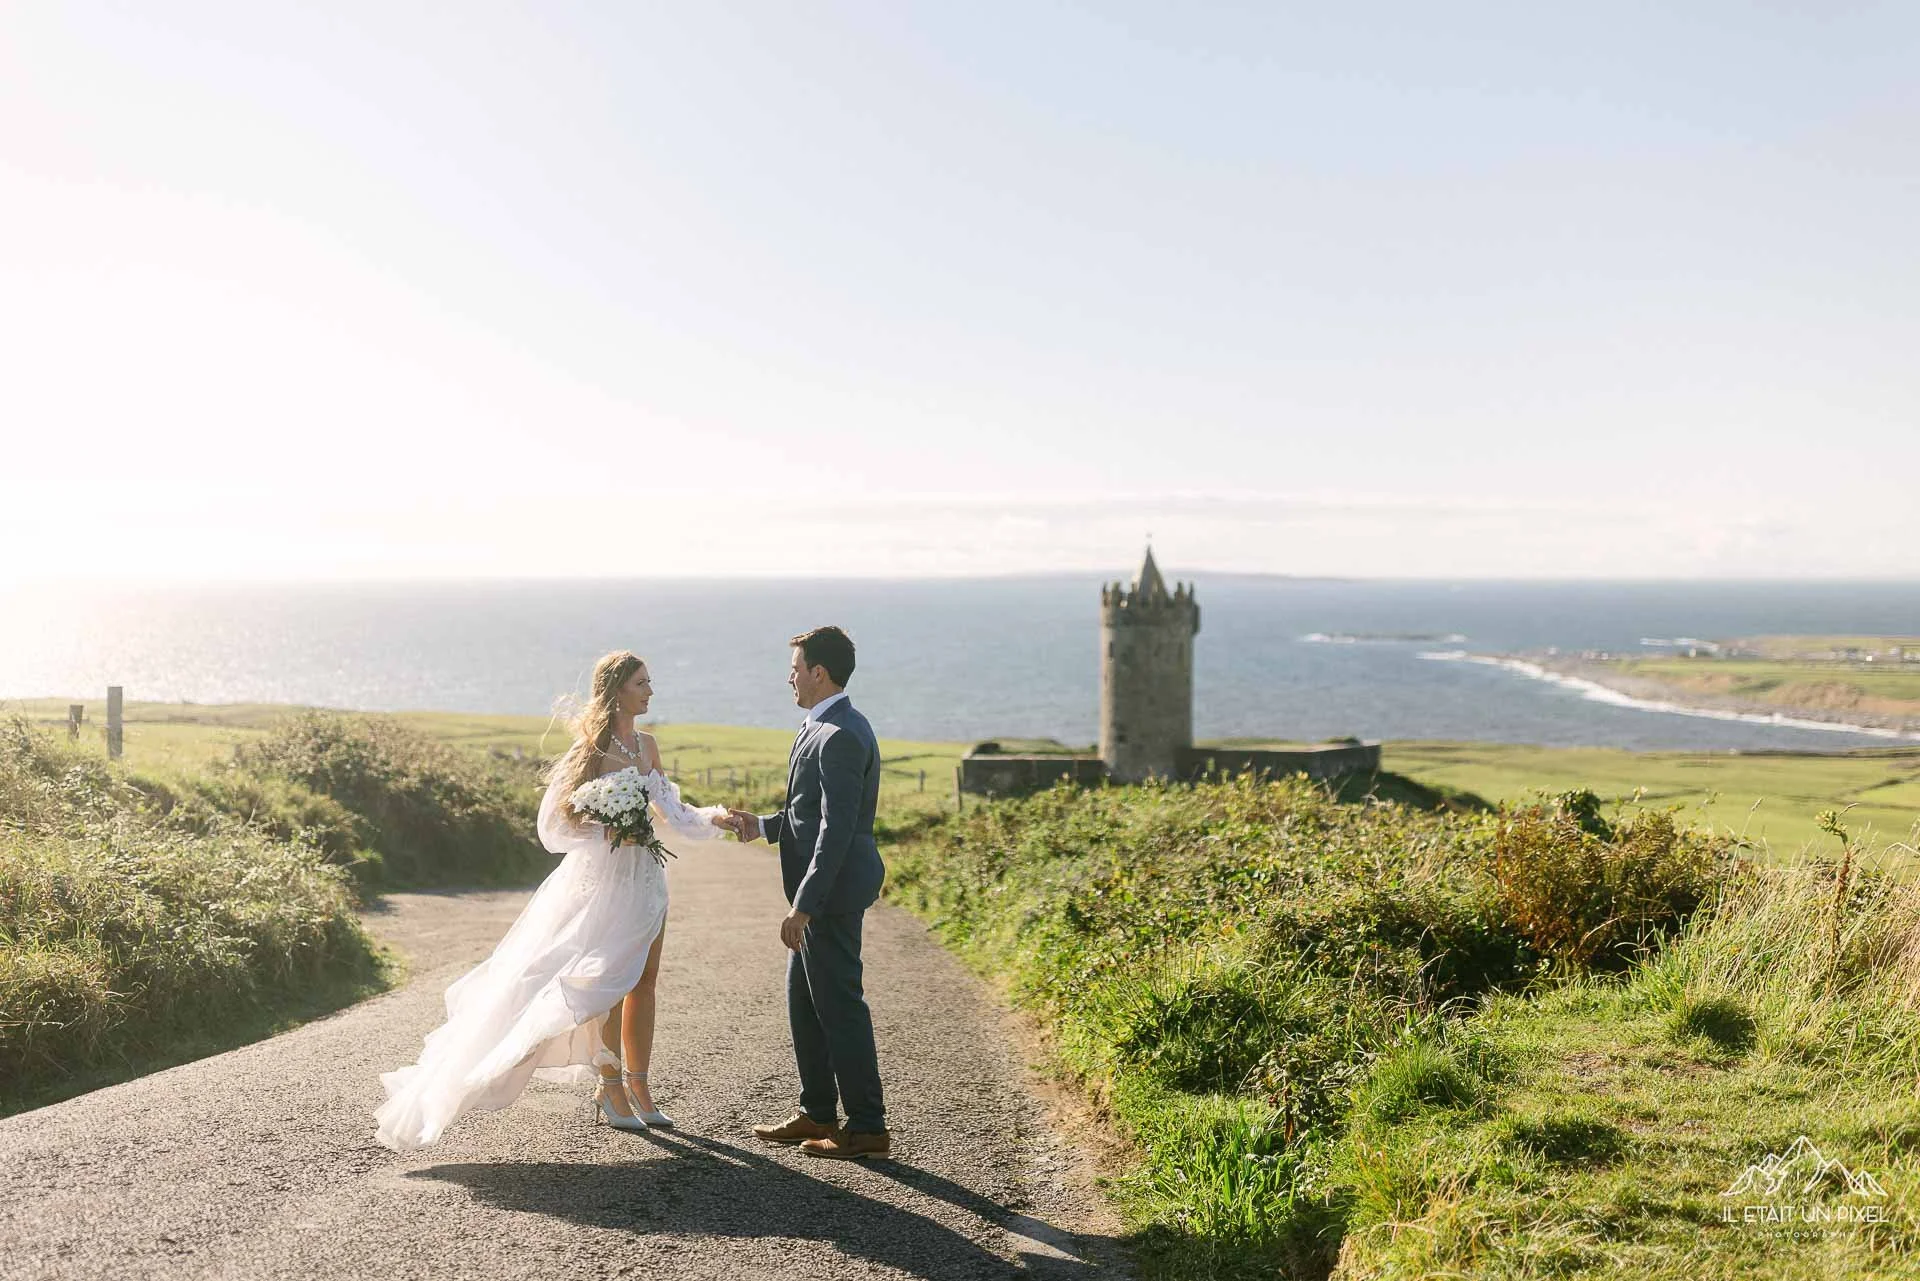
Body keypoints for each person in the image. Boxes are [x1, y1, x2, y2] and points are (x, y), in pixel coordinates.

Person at [374, 650, 726, 1151]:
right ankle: (610, 1089)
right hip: (600, 882)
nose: (650, 692)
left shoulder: (647, 746)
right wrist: (613, 827)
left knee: (644, 980)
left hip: (646, 877)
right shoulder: (589, 752)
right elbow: (555, 828)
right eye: (642, 683)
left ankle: (642, 1088)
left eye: (650, 682)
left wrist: (717, 818)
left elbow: (671, 810)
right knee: (608, 984)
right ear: (617, 690)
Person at [719, 626, 890, 1160]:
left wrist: (804, 905)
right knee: (805, 1003)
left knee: (840, 1008)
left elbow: (836, 831)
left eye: (795, 669)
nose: (789, 677)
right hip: (825, 891)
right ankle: (818, 1112)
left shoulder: (840, 734)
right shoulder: (819, 725)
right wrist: (764, 826)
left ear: (819, 673)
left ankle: (867, 1128)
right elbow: (806, 815)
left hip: (832, 895)